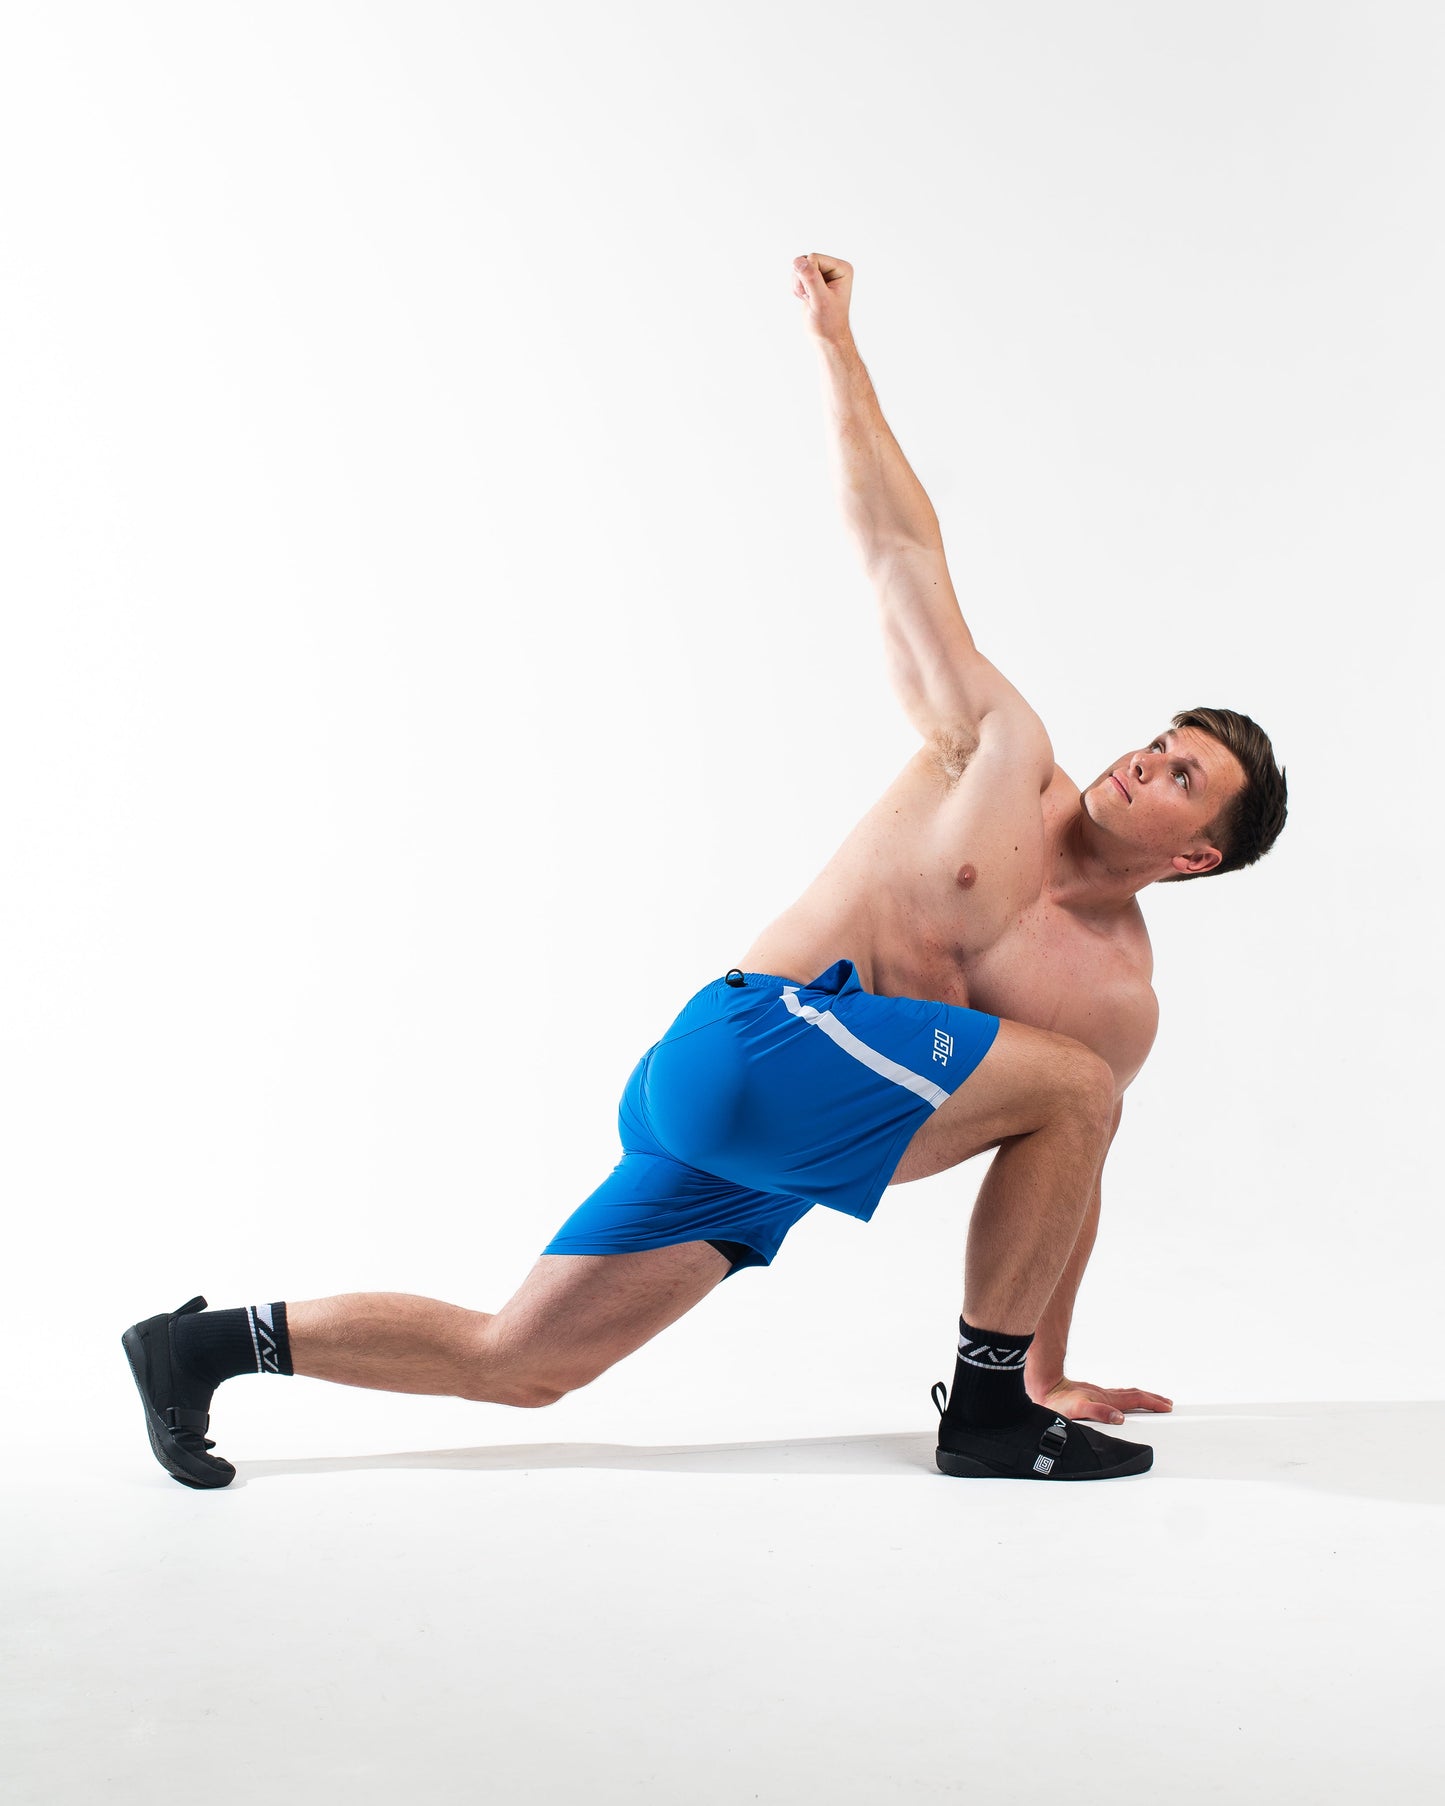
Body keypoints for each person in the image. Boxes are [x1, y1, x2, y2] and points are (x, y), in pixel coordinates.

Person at [123, 252, 1287, 1491]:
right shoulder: (1001, 757)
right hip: (755, 1042)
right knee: (1072, 1088)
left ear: (1195, 854)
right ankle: (987, 1415)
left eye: (1180, 776)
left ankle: (199, 1349)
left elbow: (1067, 1175)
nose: (1142, 762)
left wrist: (1053, 1368)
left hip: (772, 1149)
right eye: (1158, 742)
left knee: (521, 1360)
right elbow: (900, 552)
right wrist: (837, 350)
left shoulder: (1115, 998)